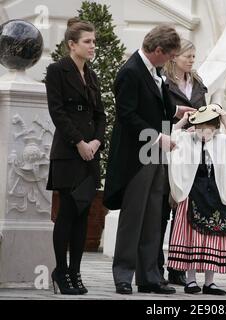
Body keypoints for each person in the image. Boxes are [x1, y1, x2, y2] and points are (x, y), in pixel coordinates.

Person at [103, 25, 194, 295]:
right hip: (136, 157)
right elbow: (127, 116)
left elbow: (155, 103)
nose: (169, 61)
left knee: (154, 217)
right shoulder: (130, 72)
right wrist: (158, 138)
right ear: (157, 51)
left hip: (155, 155)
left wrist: (177, 111)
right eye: (168, 56)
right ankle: (123, 275)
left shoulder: (153, 70)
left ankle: (149, 277)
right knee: (133, 218)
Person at [45, 18, 106, 295]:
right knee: (68, 214)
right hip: (68, 153)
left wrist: (95, 142)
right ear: (72, 44)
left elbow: (100, 115)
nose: (93, 46)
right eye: (88, 41)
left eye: (93, 41)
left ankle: (75, 272)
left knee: (83, 215)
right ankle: (60, 271)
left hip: (90, 154)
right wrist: (79, 142)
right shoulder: (57, 71)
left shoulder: (92, 75)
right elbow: (57, 112)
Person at [167, 104, 226, 295]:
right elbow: (172, 134)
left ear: (215, 128)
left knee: (212, 238)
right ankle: (190, 280)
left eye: (207, 128)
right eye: (199, 127)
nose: (202, 132)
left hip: (216, 196)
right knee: (192, 238)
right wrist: (184, 120)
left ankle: (209, 282)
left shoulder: (222, 141)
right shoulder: (188, 139)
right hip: (192, 195)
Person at [157, 39, 208, 286]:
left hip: (193, 152)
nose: (191, 60)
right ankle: (155, 265)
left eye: (193, 57)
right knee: (163, 209)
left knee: (184, 211)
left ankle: (176, 267)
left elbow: (208, 117)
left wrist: (201, 130)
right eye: (187, 55)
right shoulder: (163, 83)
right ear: (174, 57)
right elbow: (157, 119)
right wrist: (177, 129)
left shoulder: (198, 84)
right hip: (168, 150)